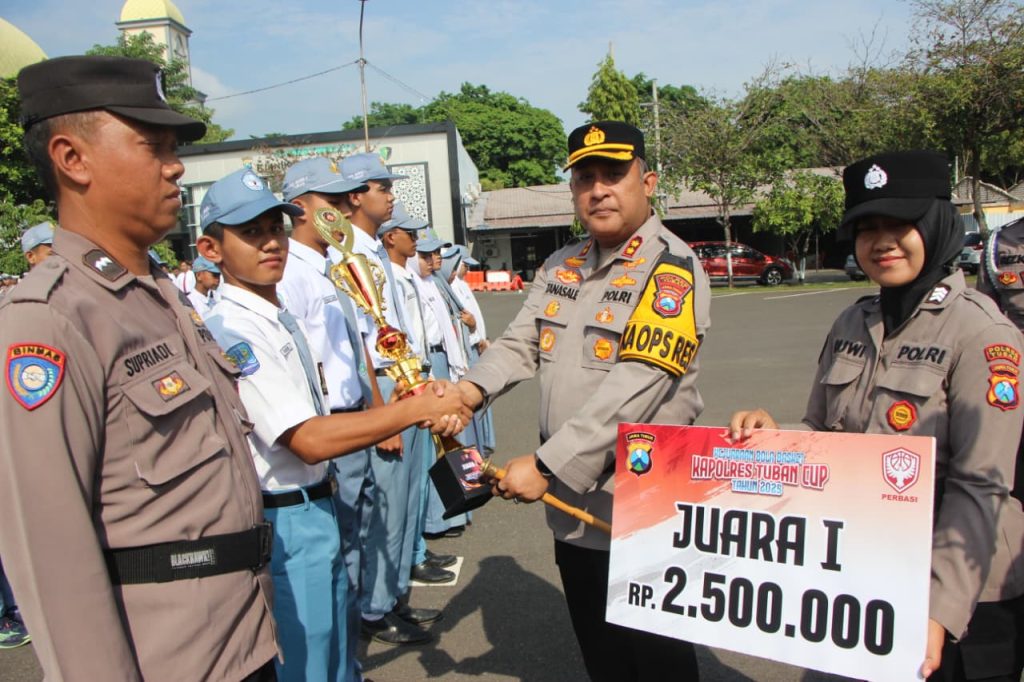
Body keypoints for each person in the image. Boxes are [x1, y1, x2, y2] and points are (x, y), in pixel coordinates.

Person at [0, 55, 278, 680]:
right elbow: (50, 551)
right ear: (73, 160)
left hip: (243, 636)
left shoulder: (156, 292)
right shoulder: (50, 317)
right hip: (169, 659)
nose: (175, 166)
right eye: (153, 146)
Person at [731, 150, 1024, 682]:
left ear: (936, 221)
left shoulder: (982, 333)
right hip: (873, 572)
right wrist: (774, 437)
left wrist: (941, 609)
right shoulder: (852, 320)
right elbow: (823, 433)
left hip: (968, 593)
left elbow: (981, 484)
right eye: (867, 228)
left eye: (900, 224)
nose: (882, 241)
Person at [457, 121, 710, 681]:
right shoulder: (560, 265)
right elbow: (521, 342)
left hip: (643, 504)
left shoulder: (672, 268)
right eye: (584, 178)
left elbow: (638, 383)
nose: (598, 189)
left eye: (613, 175)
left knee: (659, 661)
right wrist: (467, 390)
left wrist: (546, 465)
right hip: (573, 508)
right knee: (604, 655)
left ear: (648, 181)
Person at [197, 168, 471, 681]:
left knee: (339, 650)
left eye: (275, 229)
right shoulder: (232, 329)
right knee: (307, 660)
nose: (270, 243)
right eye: (250, 233)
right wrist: (413, 410)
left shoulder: (273, 310)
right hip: (284, 515)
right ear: (211, 249)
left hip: (314, 505)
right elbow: (306, 439)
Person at [335, 153, 454, 644]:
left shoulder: (373, 255)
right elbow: (358, 339)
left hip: (399, 379)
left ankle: (393, 594)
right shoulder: (342, 255)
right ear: (356, 195)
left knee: (401, 500)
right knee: (381, 506)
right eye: (381, 187)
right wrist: (381, 410)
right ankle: (374, 607)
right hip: (380, 387)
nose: (391, 196)